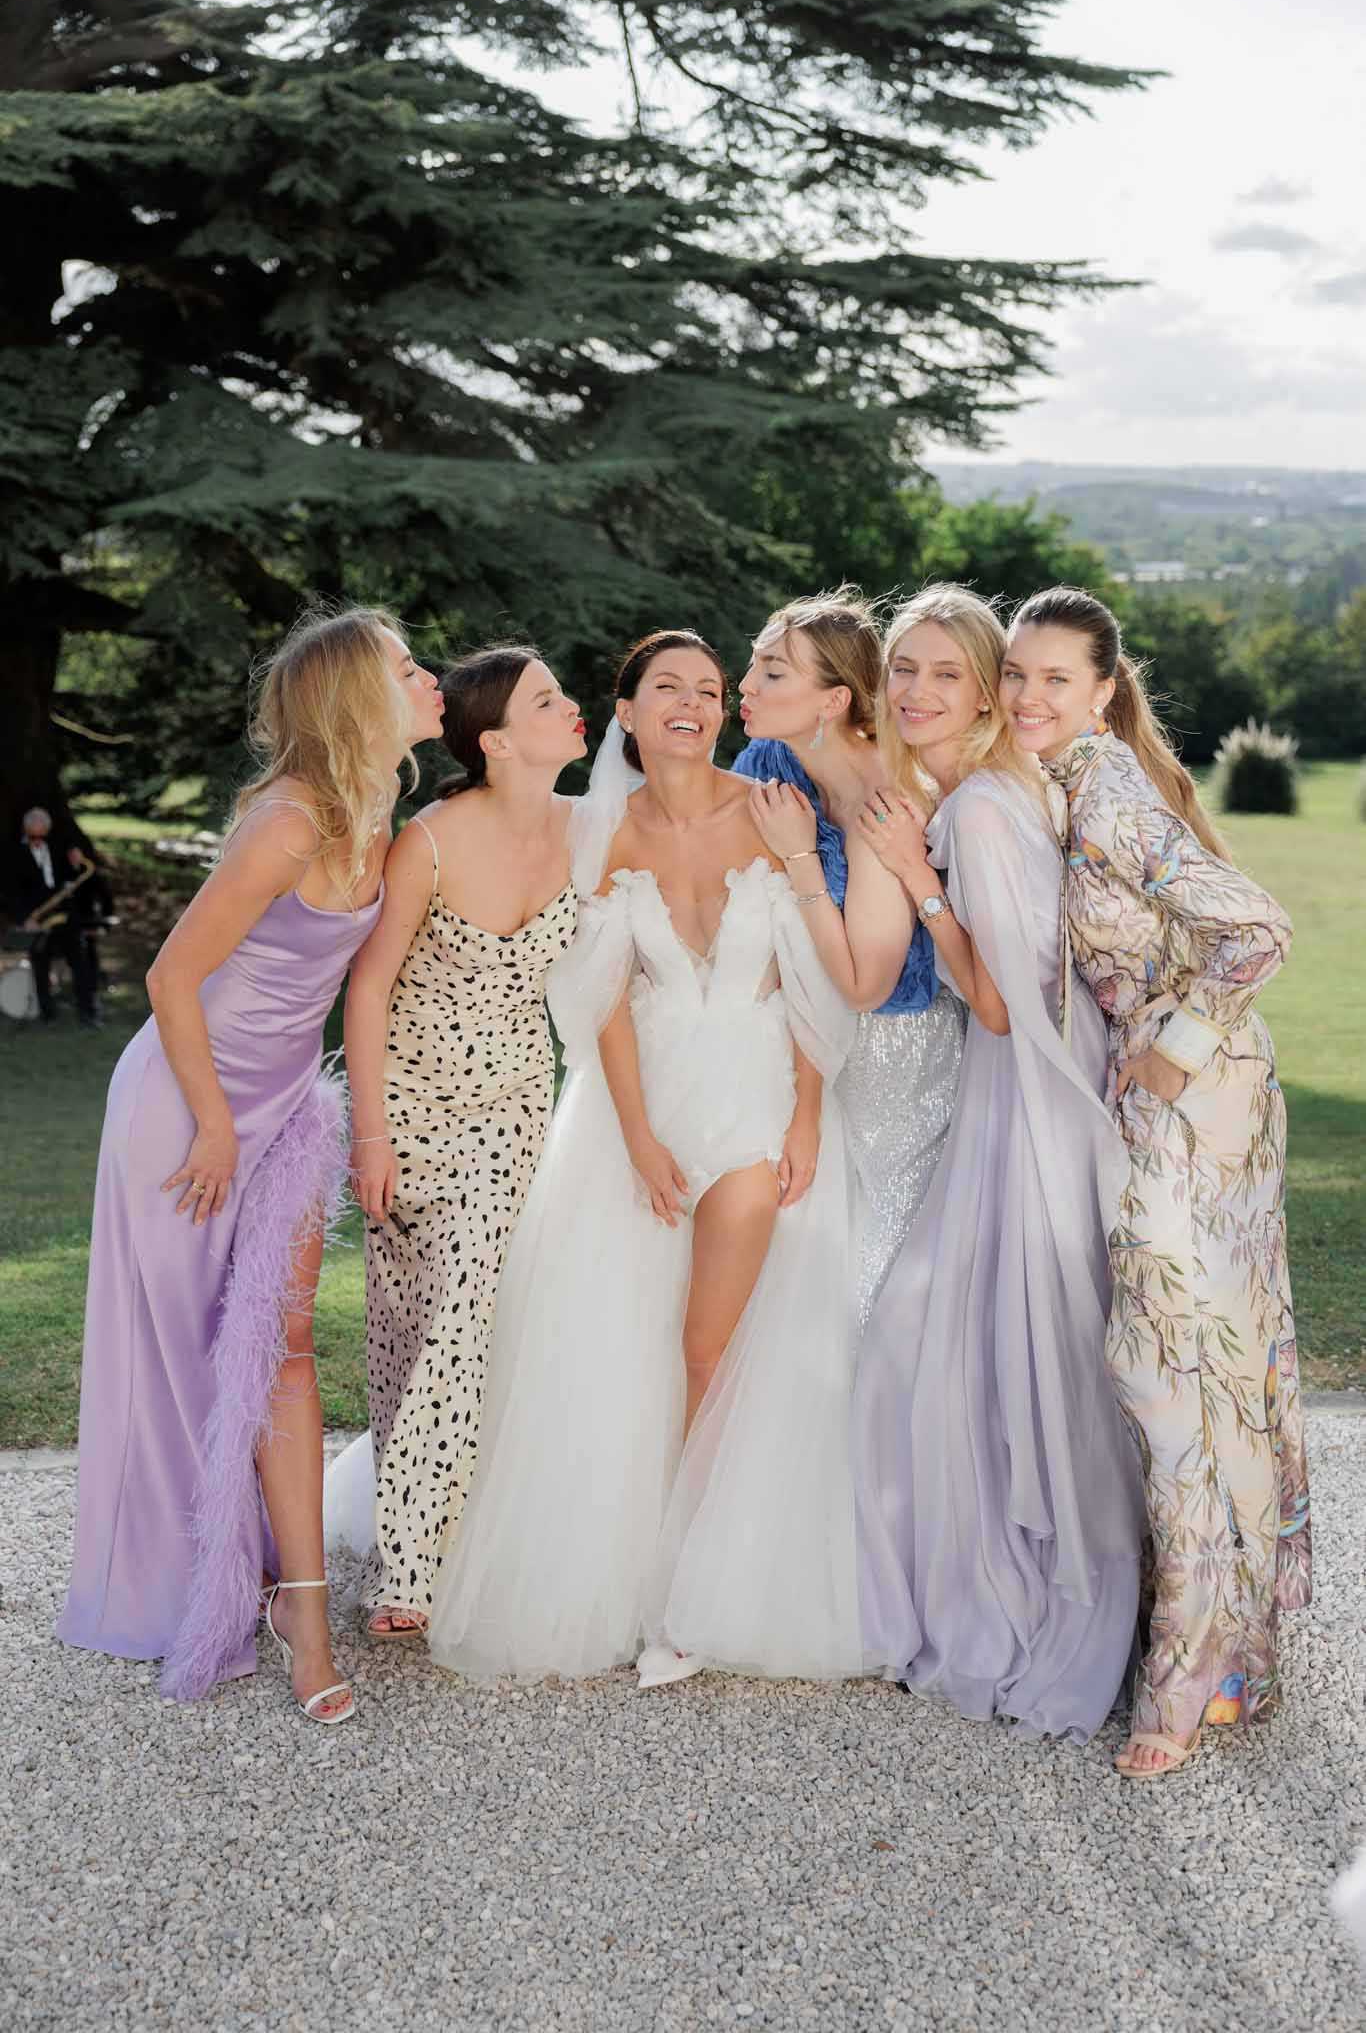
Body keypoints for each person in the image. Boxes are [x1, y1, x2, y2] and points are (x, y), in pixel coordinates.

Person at [426, 630, 862, 1686]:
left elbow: (811, 978)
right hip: (644, 1106)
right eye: (667, 686)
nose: (695, 701)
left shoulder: (769, 812)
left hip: (759, 1100)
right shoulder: (600, 832)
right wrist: (635, 1137)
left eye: (710, 690)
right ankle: (635, 1576)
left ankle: (692, 1591)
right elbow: (602, 1000)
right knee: (620, 1340)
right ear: (623, 710)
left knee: (710, 1345)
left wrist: (807, 1117)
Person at [56, 607, 445, 1723]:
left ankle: (302, 1615)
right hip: (186, 1113)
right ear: (355, 699)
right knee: (184, 1356)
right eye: (406, 668)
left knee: (278, 1352)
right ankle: (196, 1584)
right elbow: (171, 978)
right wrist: (218, 1127)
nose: (427, 680)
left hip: (281, 1114)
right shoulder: (287, 824)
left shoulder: (384, 820)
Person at [1004, 585, 1312, 1778]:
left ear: (1100, 691)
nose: (1031, 697)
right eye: (1017, 676)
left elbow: (1259, 925)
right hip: (1160, 1098)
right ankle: (1227, 1652)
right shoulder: (1065, 787)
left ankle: (1183, 1685)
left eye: (1054, 680)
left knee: (1166, 1365)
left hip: (1196, 1098)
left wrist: (1172, 1043)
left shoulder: (1113, 802)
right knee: (1202, 1367)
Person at [852, 583, 1143, 1742]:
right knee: (1009, 1347)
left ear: (979, 688)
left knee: (950, 1346)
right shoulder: (1016, 784)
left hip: (1022, 1097)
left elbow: (1002, 1004)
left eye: (945, 674)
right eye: (901, 670)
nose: (916, 692)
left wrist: (915, 883)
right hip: (1035, 1090)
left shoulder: (973, 808)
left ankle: (1015, 1592)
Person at [328, 647, 583, 1639]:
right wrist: (371, 1131)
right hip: (413, 1108)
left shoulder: (588, 831)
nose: (571, 711)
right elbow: (370, 984)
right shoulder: (427, 841)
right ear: (497, 741)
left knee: (470, 1310)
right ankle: (418, 1531)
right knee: (408, 1326)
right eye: (548, 700)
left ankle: (416, 1570)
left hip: (515, 1111)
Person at [734, 591, 965, 1323]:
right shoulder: (768, 761)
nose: (745, 687)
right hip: (794, 1034)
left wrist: (803, 859)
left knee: (871, 1263)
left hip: (889, 1053)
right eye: (753, 667)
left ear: (832, 700)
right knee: (795, 1252)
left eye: (772, 673)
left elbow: (868, 985)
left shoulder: (885, 798)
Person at [12, 808, 100, 1027]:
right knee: (40, 966)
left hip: (65, 915)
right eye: (34, 837)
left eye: (42, 836)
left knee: (80, 964)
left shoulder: (60, 847)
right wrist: (25, 919)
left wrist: (75, 864)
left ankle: (87, 1013)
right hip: (37, 918)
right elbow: (11, 893)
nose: (38, 841)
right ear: (26, 831)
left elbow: (75, 877)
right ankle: (47, 1014)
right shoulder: (14, 854)